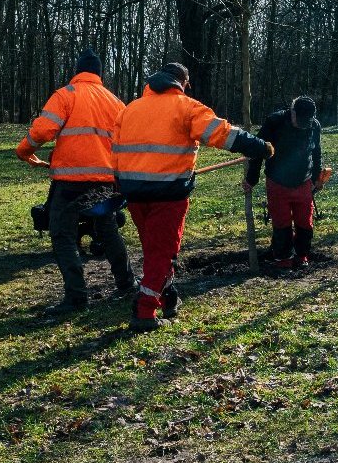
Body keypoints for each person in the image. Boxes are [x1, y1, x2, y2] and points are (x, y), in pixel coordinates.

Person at [111, 63, 271, 325]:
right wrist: (258, 146)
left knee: (155, 250)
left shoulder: (129, 110)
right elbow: (222, 134)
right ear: (182, 83)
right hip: (169, 193)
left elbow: (115, 153)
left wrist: (119, 184)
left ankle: (168, 296)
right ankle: (145, 310)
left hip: (134, 193)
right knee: (162, 252)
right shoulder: (187, 107)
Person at [16, 50, 132, 314]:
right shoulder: (116, 102)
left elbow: (43, 130)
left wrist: (24, 151)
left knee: (62, 234)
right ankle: (126, 283)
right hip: (105, 180)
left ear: (77, 71)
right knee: (108, 230)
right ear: (99, 74)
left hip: (70, 181)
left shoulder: (66, 95)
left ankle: (77, 296)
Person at [243, 96, 325, 268]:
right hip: (277, 181)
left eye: (306, 121)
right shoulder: (275, 122)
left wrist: (317, 176)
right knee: (282, 223)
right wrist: (252, 178)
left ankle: (302, 255)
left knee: (305, 223)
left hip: (304, 181)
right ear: (292, 112)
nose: (302, 124)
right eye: (299, 120)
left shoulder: (314, 126)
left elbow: (316, 153)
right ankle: (283, 259)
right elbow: (259, 150)